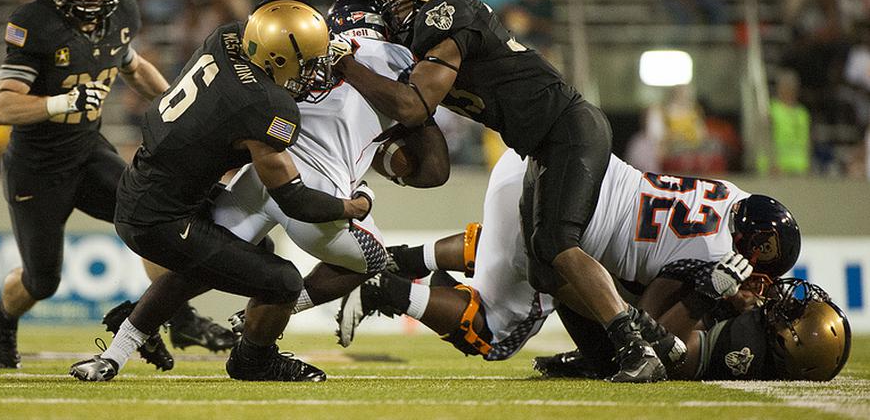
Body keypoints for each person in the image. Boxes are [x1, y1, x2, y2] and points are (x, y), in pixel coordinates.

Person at [333, 0, 665, 382]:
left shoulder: (447, 12)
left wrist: (348, 68)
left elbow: (413, 106)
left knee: (556, 246)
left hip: (567, 129)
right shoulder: (422, 33)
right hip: (543, 143)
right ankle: (642, 339)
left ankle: (637, 349)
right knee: (544, 269)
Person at [69, 0, 374, 383]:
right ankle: (255, 363)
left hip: (148, 187)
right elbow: (296, 201)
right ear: (277, 59)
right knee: (284, 282)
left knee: (235, 252)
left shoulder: (228, 36)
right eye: (307, 62)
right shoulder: (266, 105)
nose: (313, 72)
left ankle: (118, 349)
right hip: (161, 217)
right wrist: (354, 205)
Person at [0, 0, 234, 371]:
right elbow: (2, 106)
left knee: (151, 221)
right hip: (37, 169)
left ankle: (173, 318)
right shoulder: (36, 24)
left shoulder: (123, 14)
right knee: (41, 281)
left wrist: (178, 105)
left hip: (87, 151)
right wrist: (60, 103)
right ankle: (4, 320)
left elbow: (132, 66)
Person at [338, 149, 801, 370]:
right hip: (562, 210)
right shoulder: (716, 253)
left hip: (540, 168)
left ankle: (402, 258)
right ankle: (389, 290)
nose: (758, 286)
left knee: (510, 253)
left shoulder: (733, 196)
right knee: (495, 334)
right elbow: (644, 326)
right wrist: (706, 299)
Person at [211, 0, 449, 319]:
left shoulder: (304, 44)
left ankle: (132, 333)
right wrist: (389, 152)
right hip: (319, 193)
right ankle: (276, 315)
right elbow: (435, 171)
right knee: (374, 258)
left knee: (200, 260)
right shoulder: (399, 57)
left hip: (261, 171)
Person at [536, 278, 850, 382]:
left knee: (558, 272)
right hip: (635, 330)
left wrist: (708, 293)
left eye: (794, 312)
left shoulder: (747, 347)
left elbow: (668, 350)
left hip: (623, 348)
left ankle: (590, 358)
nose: (786, 301)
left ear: (794, 344)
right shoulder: (763, 333)